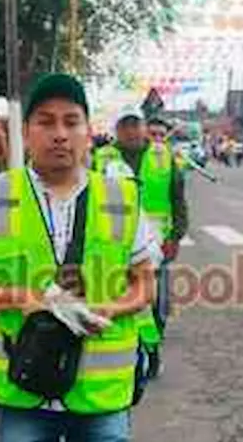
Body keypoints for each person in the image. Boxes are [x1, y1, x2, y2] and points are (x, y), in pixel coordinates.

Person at [0, 73, 157, 441]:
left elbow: (146, 285)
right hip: (23, 393)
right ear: (25, 132)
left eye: (71, 122)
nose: (60, 134)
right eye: (46, 121)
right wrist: (19, 298)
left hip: (100, 398)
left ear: (88, 132)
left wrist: (110, 308)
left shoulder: (123, 198)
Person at [91, 109, 187, 382]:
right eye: (125, 125)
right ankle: (131, 352)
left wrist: (176, 236)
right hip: (113, 245)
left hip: (157, 244)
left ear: (144, 127)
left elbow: (178, 199)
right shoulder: (102, 158)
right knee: (124, 299)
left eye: (135, 125)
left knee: (156, 303)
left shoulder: (163, 156)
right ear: (117, 129)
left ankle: (152, 349)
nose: (131, 131)